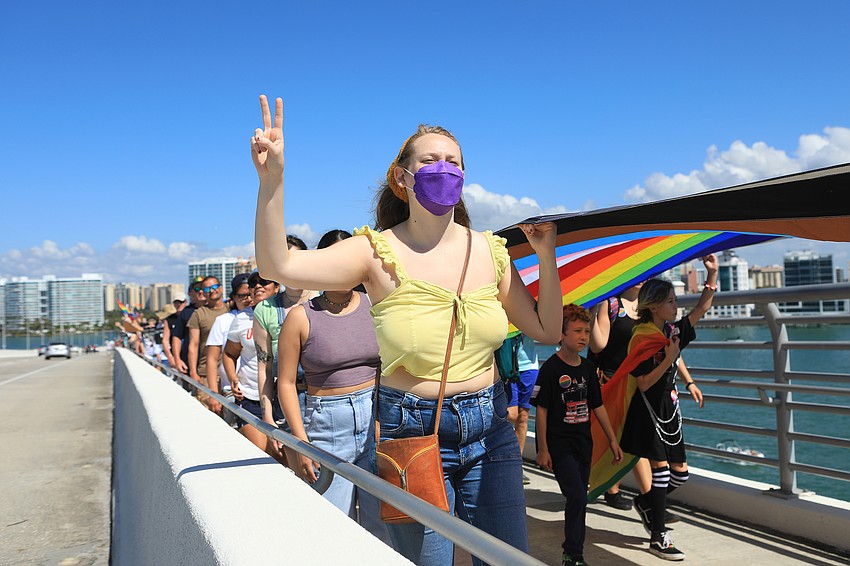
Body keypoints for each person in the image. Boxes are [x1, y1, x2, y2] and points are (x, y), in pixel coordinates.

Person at [251, 95, 562, 564]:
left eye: (453, 161)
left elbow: (547, 329)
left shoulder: (492, 252)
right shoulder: (373, 252)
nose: (444, 168)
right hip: (413, 430)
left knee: (506, 559)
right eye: (431, 160)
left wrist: (546, 257)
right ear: (403, 177)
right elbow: (281, 264)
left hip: (492, 426)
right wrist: (271, 181)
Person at [277, 229, 389, 542]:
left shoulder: (376, 304)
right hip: (326, 427)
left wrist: (384, 420)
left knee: (381, 528)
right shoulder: (300, 317)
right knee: (331, 527)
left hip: (374, 420)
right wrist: (300, 443)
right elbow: (285, 382)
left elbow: (391, 367)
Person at [618, 258, 715, 561]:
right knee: (660, 473)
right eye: (671, 301)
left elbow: (700, 310)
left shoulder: (669, 331)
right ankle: (658, 537)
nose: (676, 306)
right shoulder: (642, 337)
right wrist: (668, 356)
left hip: (668, 412)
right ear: (656, 305)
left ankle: (647, 504)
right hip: (647, 412)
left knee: (680, 476)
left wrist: (712, 273)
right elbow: (644, 383)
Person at [534, 304, 623, 566]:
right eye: (576, 331)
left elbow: (598, 406)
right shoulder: (550, 369)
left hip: (584, 444)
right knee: (576, 496)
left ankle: (575, 553)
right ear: (561, 335)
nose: (584, 336)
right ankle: (572, 553)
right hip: (559, 446)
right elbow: (541, 410)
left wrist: (612, 440)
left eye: (586, 331)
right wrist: (542, 449)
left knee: (579, 500)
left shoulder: (587, 369)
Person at [252, 235, 316, 431]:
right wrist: (267, 415)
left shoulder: (324, 298)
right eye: (285, 261)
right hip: (287, 403)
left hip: (325, 398)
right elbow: (265, 368)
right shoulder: (265, 309)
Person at [223, 274, 288, 464]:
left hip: (286, 397)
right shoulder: (242, 318)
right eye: (252, 284)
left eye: (263, 281)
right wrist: (233, 379)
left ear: (277, 287)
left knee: (287, 458)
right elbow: (229, 354)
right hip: (250, 396)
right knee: (264, 455)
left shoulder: (291, 312)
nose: (257, 286)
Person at [206, 274, 253, 421]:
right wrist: (213, 394)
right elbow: (212, 360)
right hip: (232, 393)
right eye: (242, 296)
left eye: (250, 294)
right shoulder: (223, 321)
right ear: (233, 297)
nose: (248, 300)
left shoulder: (263, 317)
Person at [186, 276, 229, 409]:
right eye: (207, 289)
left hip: (230, 373)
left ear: (221, 289)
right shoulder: (199, 314)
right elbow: (193, 344)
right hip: (206, 373)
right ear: (203, 293)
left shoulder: (232, 309)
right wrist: (193, 372)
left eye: (215, 287)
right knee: (209, 413)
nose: (212, 290)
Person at [505, 333, 539, 484]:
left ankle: (517, 466)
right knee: (510, 415)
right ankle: (504, 458)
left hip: (530, 366)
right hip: (507, 365)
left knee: (523, 416)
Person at [171, 276, 207, 376]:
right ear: (191, 293)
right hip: (190, 365)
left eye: (203, 288)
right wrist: (177, 360)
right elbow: (177, 337)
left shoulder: (218, 310)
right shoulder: (186, 313)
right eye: (197, 289)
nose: (200, 291)